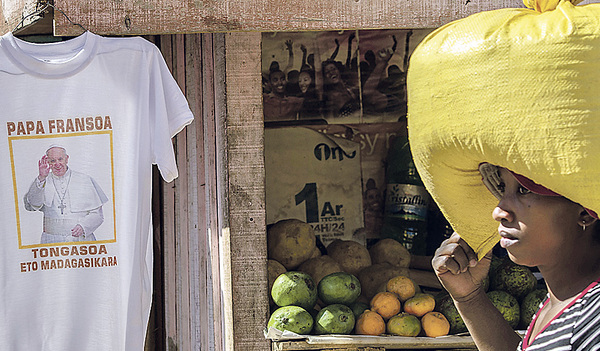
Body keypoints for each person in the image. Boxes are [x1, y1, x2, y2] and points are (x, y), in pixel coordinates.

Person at [432, 163, 600, 350]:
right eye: (503, 189)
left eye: (524, 190)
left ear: (585, 211)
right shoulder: (561, 301)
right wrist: (469, 298)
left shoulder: (595, 316)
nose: (498, 212)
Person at [24, 145, 109, 244]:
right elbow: (33, 205)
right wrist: (41, 177)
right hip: (51, 240)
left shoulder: (84, 180)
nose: (57, 164)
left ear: (66, 159)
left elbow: (97, 214)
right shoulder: (42, 181)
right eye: (52, 161)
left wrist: (83, 226)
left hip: (81, 240)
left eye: (60, 159)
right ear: (48, 162)